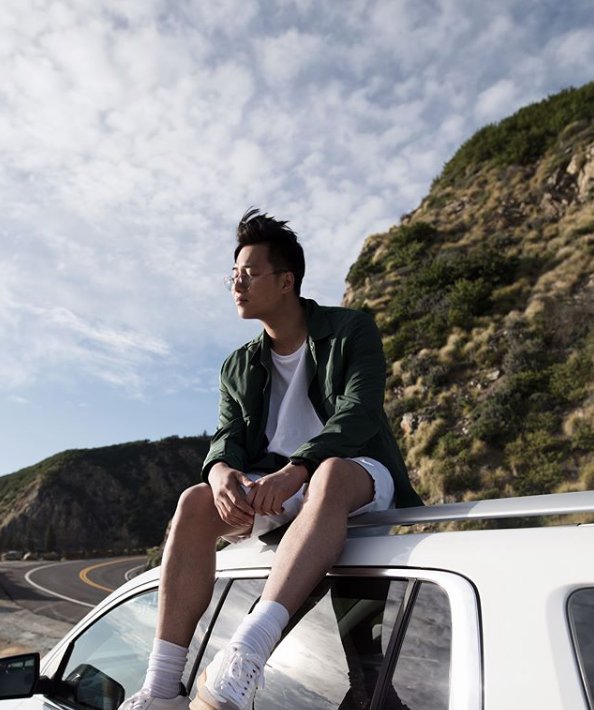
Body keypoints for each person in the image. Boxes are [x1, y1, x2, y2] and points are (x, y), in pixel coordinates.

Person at [120, 208, 422, 710]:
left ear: (286, 281)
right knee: (195, 501)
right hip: (282, 486)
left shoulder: (351, 330)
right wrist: (221, 471)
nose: (236, 284)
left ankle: (248, 652)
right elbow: (228, 435)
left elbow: (359, 412)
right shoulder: (238, 365)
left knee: (329, 474)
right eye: (233, 275)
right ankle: (160, 688)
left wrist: (297, 468)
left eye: (249, 273)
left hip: (358, 472)